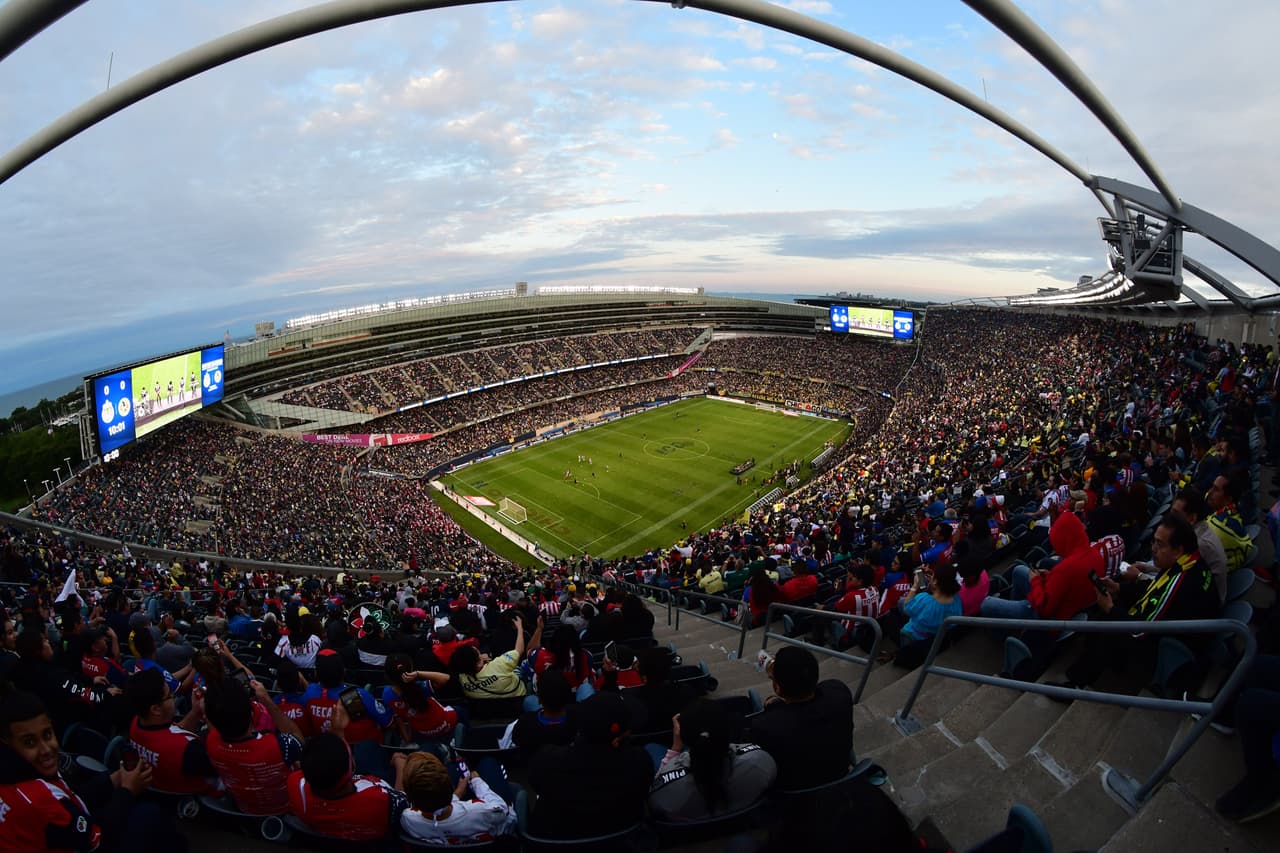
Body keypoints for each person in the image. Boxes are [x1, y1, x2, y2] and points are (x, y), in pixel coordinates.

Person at [1054, 514, 1220, 691]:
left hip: (1171, 652)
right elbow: (1155, 587)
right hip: (1171, 633)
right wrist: (1119, 588)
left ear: (1178, 550)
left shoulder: (1180, 584)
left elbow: (1140, 630)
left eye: (1160, 544)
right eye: (1154, 542)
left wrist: (1110, 608)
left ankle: (1075, 684)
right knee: (1109, 614)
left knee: (1110, 625)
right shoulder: (1190, 561)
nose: (1154, 549)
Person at [0, 688, 180, 853]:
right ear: (7, 744)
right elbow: (97, 841)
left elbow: (72, 799)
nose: (46, 750)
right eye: (29, 742)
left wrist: (115, 780)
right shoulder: (37, 798)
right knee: (149, 815)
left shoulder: (22, 772)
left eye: (47, 734)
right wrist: (127, 792)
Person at [526, 692, 652, 839]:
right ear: (618, 738)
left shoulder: (546, 761)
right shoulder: (640, 762)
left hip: (558, 841)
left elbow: (535, 783)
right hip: (621, 841)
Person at [648, 697, 776, 821]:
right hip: (748, 825)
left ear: (683, 736)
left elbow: (654, 793)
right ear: (728, 730)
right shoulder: (760, 761)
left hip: (693, 838)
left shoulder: (666, 793)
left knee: (652, 748)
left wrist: (675, 748)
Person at [749, 646, 853, 790]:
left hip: (797, 797)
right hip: (839, 777)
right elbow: (819, 690)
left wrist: (775, 706)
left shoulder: (765, 727)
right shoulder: (840, 694)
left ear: (778, 688)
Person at [204, 676, 304, 815]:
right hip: (286, 811)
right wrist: (267, 700)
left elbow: (214, 724)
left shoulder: (210, 742)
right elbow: (298, 738)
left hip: (243, 810)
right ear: (251, 713)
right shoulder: (281, 745)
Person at [286, 729, 409, 841]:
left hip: (337, 832)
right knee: (369, 746)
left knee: (368, 745)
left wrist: (338, 730)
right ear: (351, 767)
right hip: (380, 785)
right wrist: (401, 764)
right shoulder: (383, 802)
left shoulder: (296, 788)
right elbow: (403, 800)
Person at [124, 667, 219, 794]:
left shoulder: (138, 723)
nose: (173, 697)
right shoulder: (189, 751)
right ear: (155, 709)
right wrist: (211, 717)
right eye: (169, 696)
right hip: (208, 800)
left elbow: (172, 734)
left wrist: (195, 712)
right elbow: (224, 759)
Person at [399, 751, 517, 844]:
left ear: (410, 798)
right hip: (495, 831)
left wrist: (457, 794)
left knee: (452, 767)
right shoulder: (481, 811)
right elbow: (505, 811)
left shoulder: (407, 819)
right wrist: (476, 781)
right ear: (450, 787)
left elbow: (437, 816)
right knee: (488, 762)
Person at [451, 613, 539, 699]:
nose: (481, 654)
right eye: (478, 653)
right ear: (478, 663)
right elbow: (519, 650)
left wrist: (481, 659)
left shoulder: (462, 680)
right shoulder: (499, 664)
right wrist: (520, 628)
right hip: (519, 697)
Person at [380, 652, 458, 743]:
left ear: (388, 676)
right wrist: (418, 674)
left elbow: (398, 717)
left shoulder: (387, 695)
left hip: (422, 731)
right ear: (411, 670)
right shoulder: (421, 687)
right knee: (460, 711)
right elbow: (446, 678)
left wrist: (407, 738)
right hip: (445, 723)